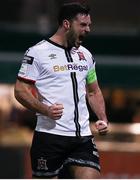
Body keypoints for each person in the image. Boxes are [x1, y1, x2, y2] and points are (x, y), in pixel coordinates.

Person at [14, 2, 109, 179]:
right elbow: (20, 90)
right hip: (49, 138)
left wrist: (102, 118)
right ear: (66, 24)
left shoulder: (86, 55)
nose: (88, 29)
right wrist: (45, 110)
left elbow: (93, 91)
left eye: (89, 25)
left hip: (82, 138)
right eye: (83, 25)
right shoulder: (37, 53)